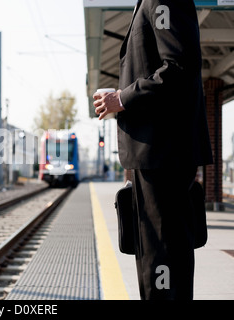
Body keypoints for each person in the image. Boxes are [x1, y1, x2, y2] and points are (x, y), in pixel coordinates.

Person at [93, 0, 213, 300]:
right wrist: (122, 95)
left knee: (162, 254)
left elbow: (179, 66)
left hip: (163, 153)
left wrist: (124, 98)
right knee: (155, 252)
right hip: (157, 153)